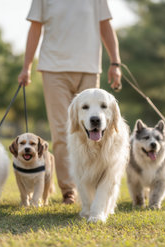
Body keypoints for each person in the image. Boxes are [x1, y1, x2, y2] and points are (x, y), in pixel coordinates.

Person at [18, 0, 122, 204]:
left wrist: (115, 62)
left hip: (89, 67)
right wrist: (26, 67)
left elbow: (105, 25)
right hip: (53, 68)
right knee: (62, 131)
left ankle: (94, 182)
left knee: (96, 130)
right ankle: (69, 189)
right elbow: (35, 28)